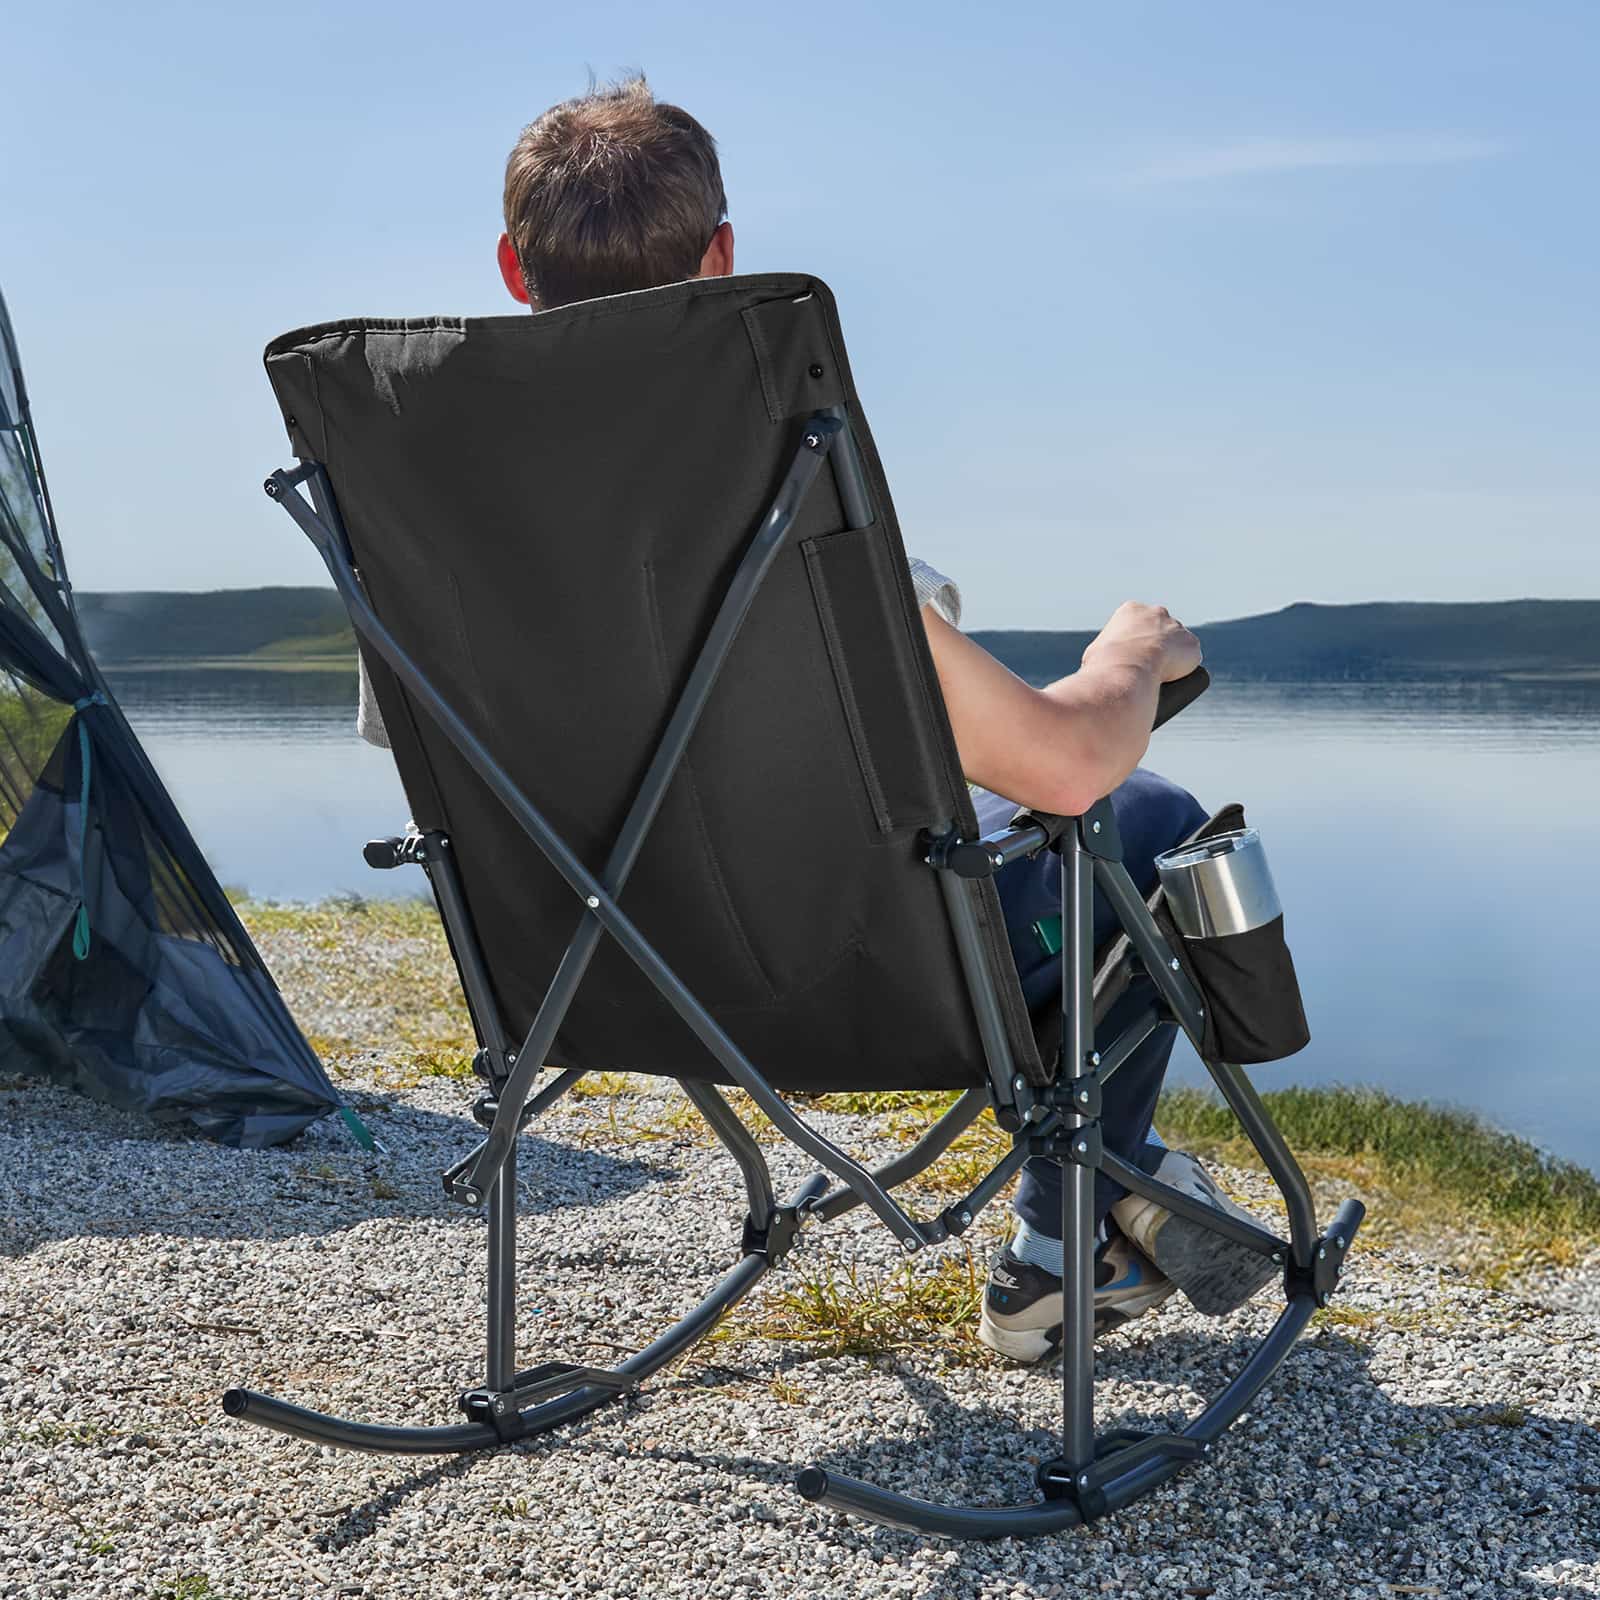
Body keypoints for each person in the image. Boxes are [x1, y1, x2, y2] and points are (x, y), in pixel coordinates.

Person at [353, 76, 1277, 1362]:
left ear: (513, 268)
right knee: (1148, 823)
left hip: (583, 976)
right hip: (846, 979)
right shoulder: (776, 505)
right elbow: (1065, 766)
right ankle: (1071, 1232)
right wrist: (1125, 656)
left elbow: (442, 766)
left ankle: (1105, 1194)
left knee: (1066, 826)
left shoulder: (428, 539)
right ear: (723, 260)